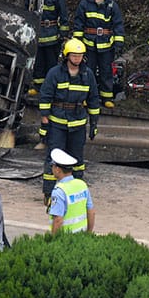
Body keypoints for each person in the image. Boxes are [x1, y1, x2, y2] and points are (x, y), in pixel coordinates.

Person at [38, 38, 101, 201]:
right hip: (57, 122)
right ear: (66, 56)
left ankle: (76, 191)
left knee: (77, 160)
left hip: (78, 123)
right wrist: (44, 124)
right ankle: (50, 193)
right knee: (54, 157)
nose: (77, 59)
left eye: (79, 56)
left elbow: (94, 99)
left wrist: (94, 123)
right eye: (73, 55)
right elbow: (45, 97)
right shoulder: (55, 73)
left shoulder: (88, 75)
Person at [73, 0, 125, 108]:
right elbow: (78, 22)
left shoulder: (112, 6)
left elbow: (118, 24)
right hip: (88, 44)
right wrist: (78, 42)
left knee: (106, 71)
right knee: (86, 71)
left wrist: (119, 42)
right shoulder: (84, 4)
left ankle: (106, 97)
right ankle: (84, 97)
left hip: (106, 44)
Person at [29, 0, 68, 96]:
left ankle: (52, 88)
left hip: (51, 34)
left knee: (51, 63)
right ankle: (38, 87)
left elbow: (63, 13)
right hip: (37, 33)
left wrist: (63, 33)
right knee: (38, 63)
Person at [47, 148, 96, 234]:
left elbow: (58, 220)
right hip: (81, 236)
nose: (52, 169)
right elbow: (91, 212)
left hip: (65, 239)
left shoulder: (59, 191)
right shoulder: (82, 185)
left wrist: (53, 241)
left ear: (58, 170)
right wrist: (88, 233)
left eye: (53, 166)